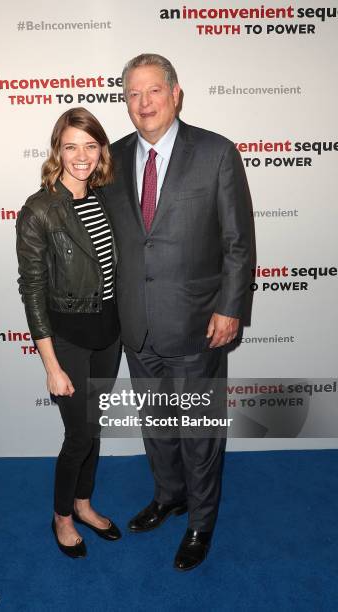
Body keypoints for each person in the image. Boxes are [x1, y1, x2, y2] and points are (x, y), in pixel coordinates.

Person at [104, 54, 252, 571]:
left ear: (175, 93)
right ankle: (169, 497)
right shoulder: (112, 159)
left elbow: (238, 243)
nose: (143, 104)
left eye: (153, 92)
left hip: (197, 325)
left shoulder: (215, 154)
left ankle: (200, 522)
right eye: (132, 95)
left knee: (199, 429)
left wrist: (230, 308)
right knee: (156, 423)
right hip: (136, 325)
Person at [16, 107, 122, 559]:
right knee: (78, 435)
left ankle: (84, 502)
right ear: (57, 151)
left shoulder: (108, 196)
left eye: (91, 145)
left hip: (109, 334)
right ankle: (61, 515)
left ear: (101, 151)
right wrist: (52, 365)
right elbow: (33, 290)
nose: (81, 156)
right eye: (71, 145)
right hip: (68, 338)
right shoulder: (39, 210)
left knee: (94, 428)